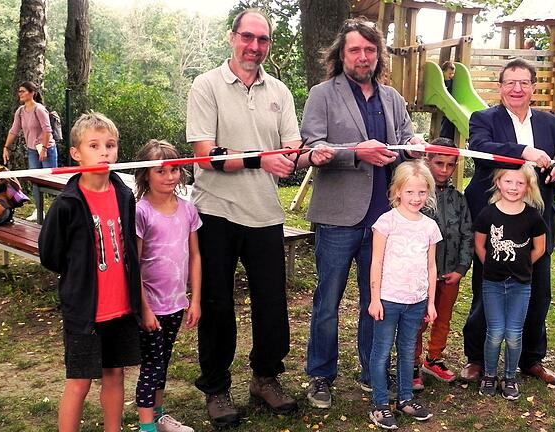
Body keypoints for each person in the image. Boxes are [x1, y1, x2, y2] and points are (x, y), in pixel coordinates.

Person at [185, 8, 333, 427]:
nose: (254, 47)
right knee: (217, 304)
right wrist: (261, 162)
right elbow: (205, 156)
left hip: (266, 214)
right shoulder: (206, 85)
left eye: (263, 40)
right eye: (248, 37)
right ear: (233, 37)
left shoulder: (280, 92)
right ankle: (216, 388)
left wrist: (310, 156)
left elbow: (290, 151)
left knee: (273, 304)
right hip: (215, 212)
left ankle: (265, 378)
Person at [300, 17, 425, 409]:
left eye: (370, 50)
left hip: (385, 221)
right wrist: (356, 151)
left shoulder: (392, 97)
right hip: (338, 218)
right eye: (355, 50)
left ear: (378, 54)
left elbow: (405, 139)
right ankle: (321, 375)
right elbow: (310, 149)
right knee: (328, 301)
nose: (362, 56)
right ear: (342, 54)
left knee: (378, 300)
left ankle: (372, 371)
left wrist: (415, 142)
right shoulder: (322, 94)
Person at [461, 58, 555, 386]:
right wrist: (524, 151)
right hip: (495, 223)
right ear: (500, 87)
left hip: (536, 223)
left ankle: (532, 359)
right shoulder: (483, 119)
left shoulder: (551, 124)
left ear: (533, 88)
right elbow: (481, 148)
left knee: (539, 292)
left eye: (523, 83)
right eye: (510, 82)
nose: (517, 89)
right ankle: (478, 359)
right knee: (487, 291)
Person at [39, 112, 142, 432]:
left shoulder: (124, 194)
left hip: (123, 307)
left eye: (110, 145)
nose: (104, 153)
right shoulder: (68, 203)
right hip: (85, 311)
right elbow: (50, 254)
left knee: (115, 374)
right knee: (80, 381)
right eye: (94, 145)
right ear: (75, 153)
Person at [133, 140, 201, 432]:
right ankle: (146, 426)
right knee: (150, 367)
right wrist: (144, 308)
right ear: (145, 174)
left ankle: (159, 416)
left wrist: (194, 299)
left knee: (163, 362)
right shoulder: (141, 211)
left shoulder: (187, 210)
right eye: (160, 171)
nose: (169, 176)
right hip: (150, 307)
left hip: (176, 303)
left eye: (174, 169)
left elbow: (195, 255)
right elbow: (132, 265)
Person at [368, 160, 440, 429]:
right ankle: (379, 403)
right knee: (382, 351)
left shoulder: (430, 227)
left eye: (422, 192)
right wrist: (375, 299)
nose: (416, 198)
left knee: (408, 350)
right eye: (410, 192)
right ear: (397, 191)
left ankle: (406, 398)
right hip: (388, 300)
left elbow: (431, 266)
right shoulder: (386, 222)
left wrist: (431, 302)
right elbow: (376, 262)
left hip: (416, 301)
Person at [473, 165, 547, 400]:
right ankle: (489, 375)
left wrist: (520, 264)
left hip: (521, 284)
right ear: (498, 183)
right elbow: (480, 245)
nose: (513, 187)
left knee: (514, 333)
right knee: (495, 332)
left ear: (528, 187)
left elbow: (539, 248)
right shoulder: (488, 214)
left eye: (519, 183)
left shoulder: (533, 217)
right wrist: (493, 265)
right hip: (492, 283)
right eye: (508, 182)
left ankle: (510, 377)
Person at [413, 138, 473, 390]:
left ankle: (434, 358)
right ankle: (411, 363)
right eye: (439, 163)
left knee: (443, 318)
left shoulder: (459, 199)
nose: (444, 170)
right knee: (418, 319)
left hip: (449, 273)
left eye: (450, 165)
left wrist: (461, 269)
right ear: (427, 161)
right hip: (421, 275)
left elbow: (468, 234)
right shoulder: (417, 196)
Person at [2, 81, 59, 221]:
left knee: (51, 181)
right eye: (19, 91)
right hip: (33, 149)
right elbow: (14, 130)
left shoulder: (39, 109)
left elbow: (47, 130)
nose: (20, 94)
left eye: (23, 91)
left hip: (46, 148)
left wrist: (44, 149)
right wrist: (6, 147)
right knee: (36, 181)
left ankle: (57, 212)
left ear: (32, 93)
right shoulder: (20, 111)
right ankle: (39, 211)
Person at [439, 62, 457, 139]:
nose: (451, 76)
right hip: (445, 105)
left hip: (451, 106)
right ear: (443, 72)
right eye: (449, 73)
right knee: (446, 122)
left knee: (450, 123)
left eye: (453, 74)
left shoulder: (452, 81)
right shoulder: (440, 82)